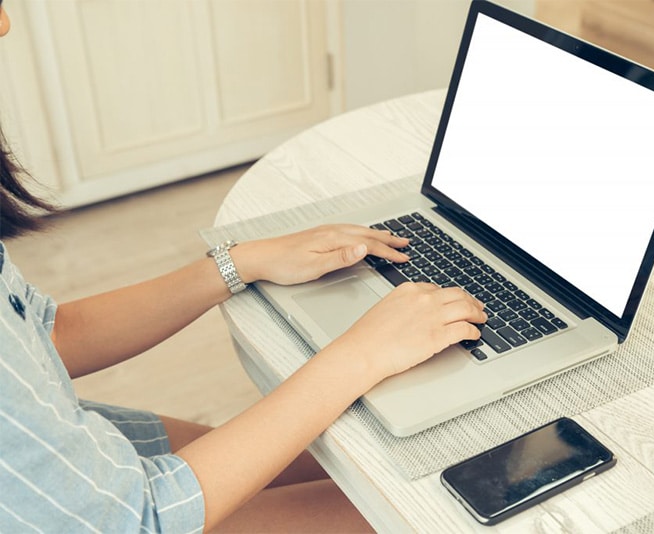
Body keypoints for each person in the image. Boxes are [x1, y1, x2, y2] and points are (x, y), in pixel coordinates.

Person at [0, 3, 487, 531]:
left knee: (341, 464)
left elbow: (43, 331)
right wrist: (360, 355)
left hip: (71, 457)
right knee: (423, 509)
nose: (5, 22)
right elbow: (141, 516)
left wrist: (238, 264)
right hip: (120, 511)